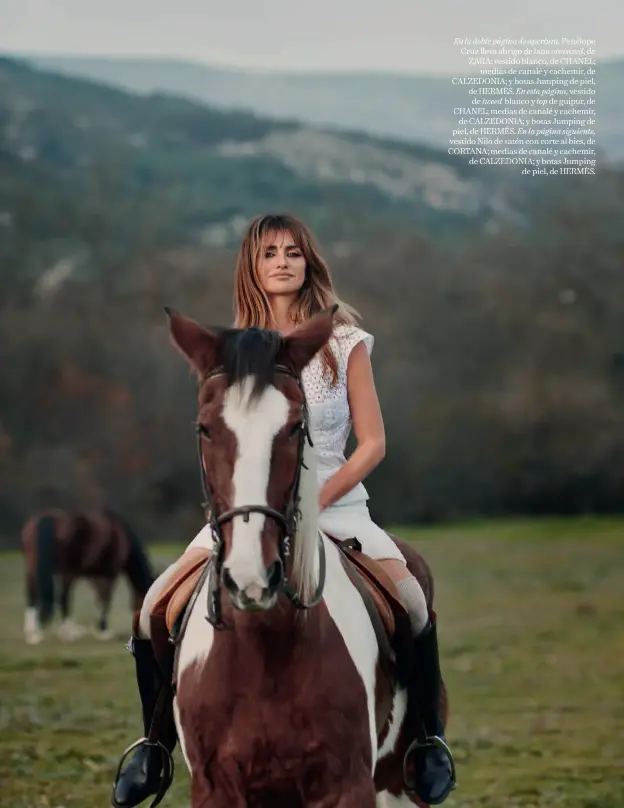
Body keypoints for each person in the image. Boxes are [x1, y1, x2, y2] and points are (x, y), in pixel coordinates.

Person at [111, 213, 456, 808]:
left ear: (309, 261)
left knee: (414, 602)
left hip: (337, 509)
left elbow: (373, 443)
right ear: (253, 265)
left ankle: (424, 742)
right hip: (247, 513)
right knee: (150, 610)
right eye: (270, 252)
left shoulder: (343, 341)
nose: (282, 261)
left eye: (293, 251)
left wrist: (314, 502)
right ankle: (156, 745)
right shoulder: (235, 351)